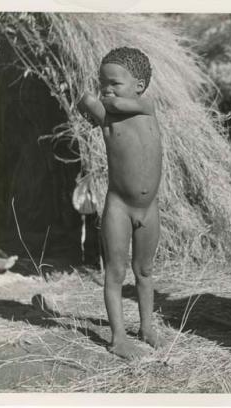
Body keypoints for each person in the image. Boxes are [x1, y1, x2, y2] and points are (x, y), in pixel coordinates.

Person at [78, 47, 164, 359]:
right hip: (119, 206)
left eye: (115, 82)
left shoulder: (144, 105)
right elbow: (87, 101)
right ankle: (117, 337)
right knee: (115, 272)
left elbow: (105, 104)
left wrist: (97, 105)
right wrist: (88, 102)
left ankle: (146, 327)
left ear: (139, 86)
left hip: (149, 208)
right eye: (103, 82)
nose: (107, 89)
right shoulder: (108, 120)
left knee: (145, 269)